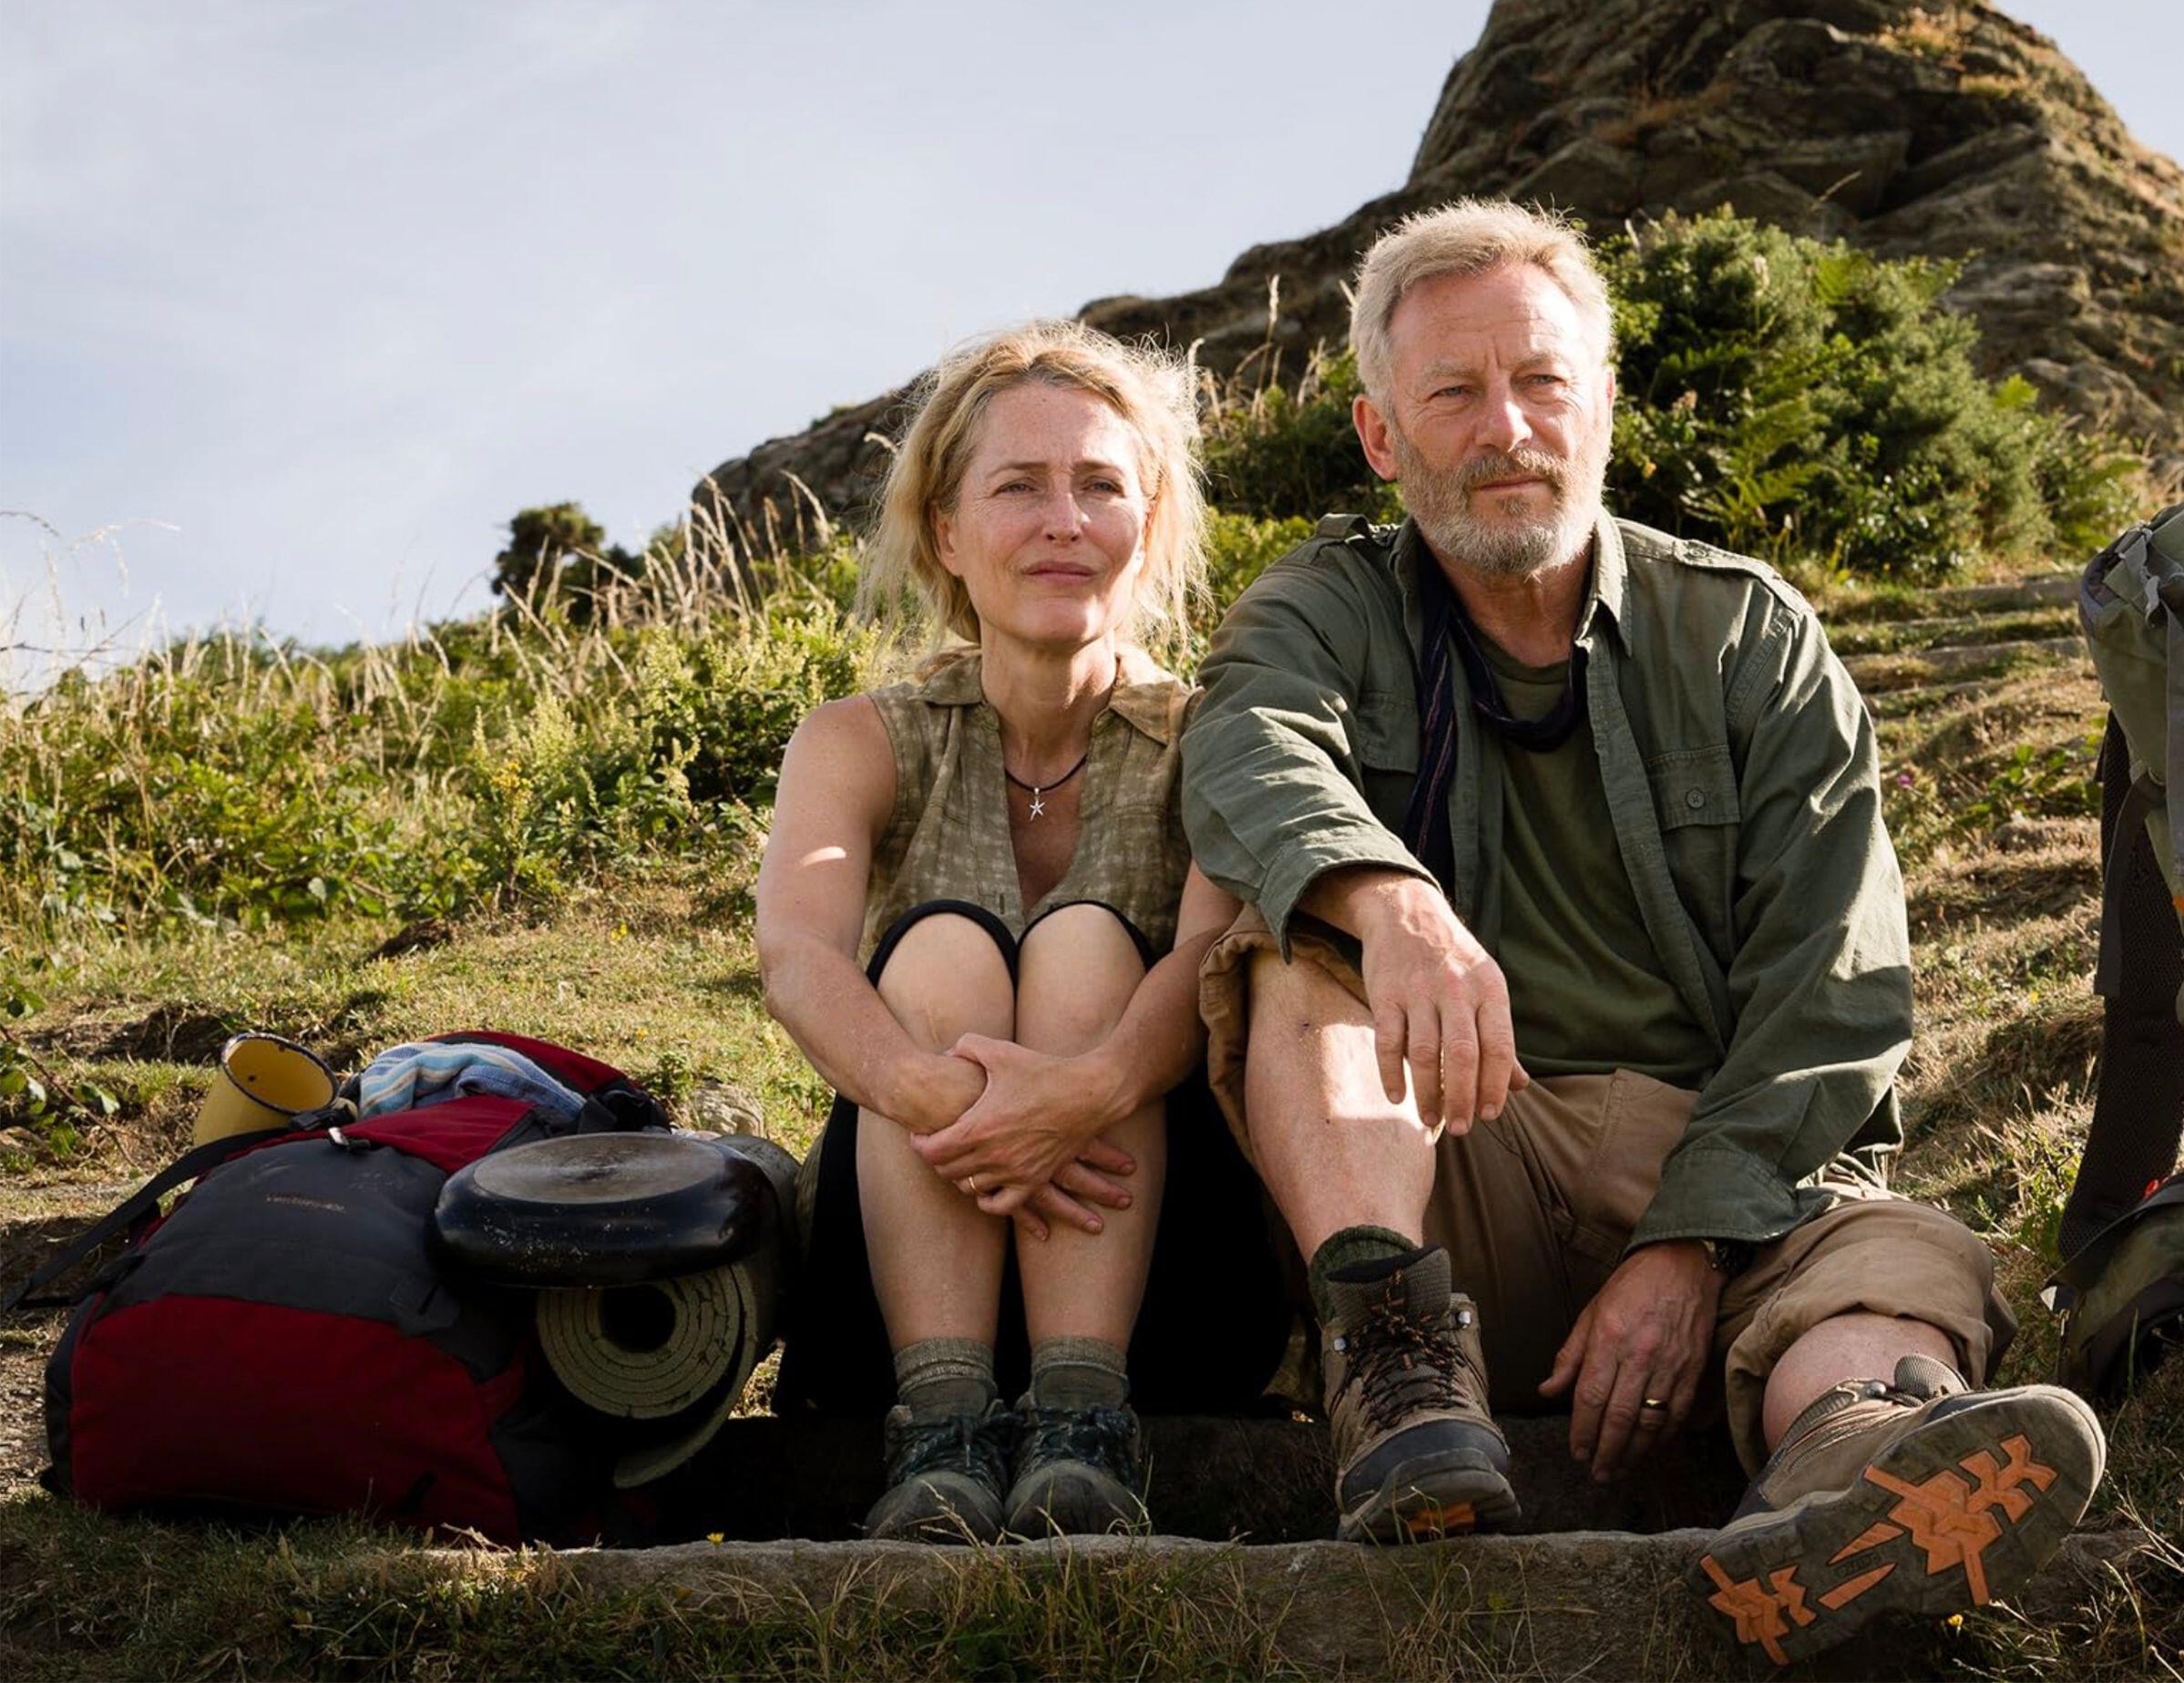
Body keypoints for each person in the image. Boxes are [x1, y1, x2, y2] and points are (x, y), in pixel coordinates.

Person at [1181, 200, 2106, 1667]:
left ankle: (1844, 1476)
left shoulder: (1746, 635)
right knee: (1288, 957)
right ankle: (1404, 1378)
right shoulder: (1329, 604)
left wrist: (1684, 1243)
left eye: (1542, 381)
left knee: (1886, 1269)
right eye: (1453, 393)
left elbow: (1836, 987)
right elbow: (1238, 746)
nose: (1506, 428)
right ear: (1380, 436)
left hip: (1725, 1174)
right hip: (1452, 1157)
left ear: (1604, 404)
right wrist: (1391, 899)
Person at [756, 320, 1285, 1544]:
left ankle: (1084, 1425)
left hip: (1166, 1285)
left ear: (1145, 522)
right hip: (903, 1284)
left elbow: (1207, 958)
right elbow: (798, 954)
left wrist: (1083, 1092)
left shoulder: (1212, 737)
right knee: (941, 949)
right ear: (946, 530)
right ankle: (941, 1427)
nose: (1064, 519)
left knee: (1090, 950)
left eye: (1101, 483)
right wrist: (959, 1104)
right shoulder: (861, 737)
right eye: (1019, 485)